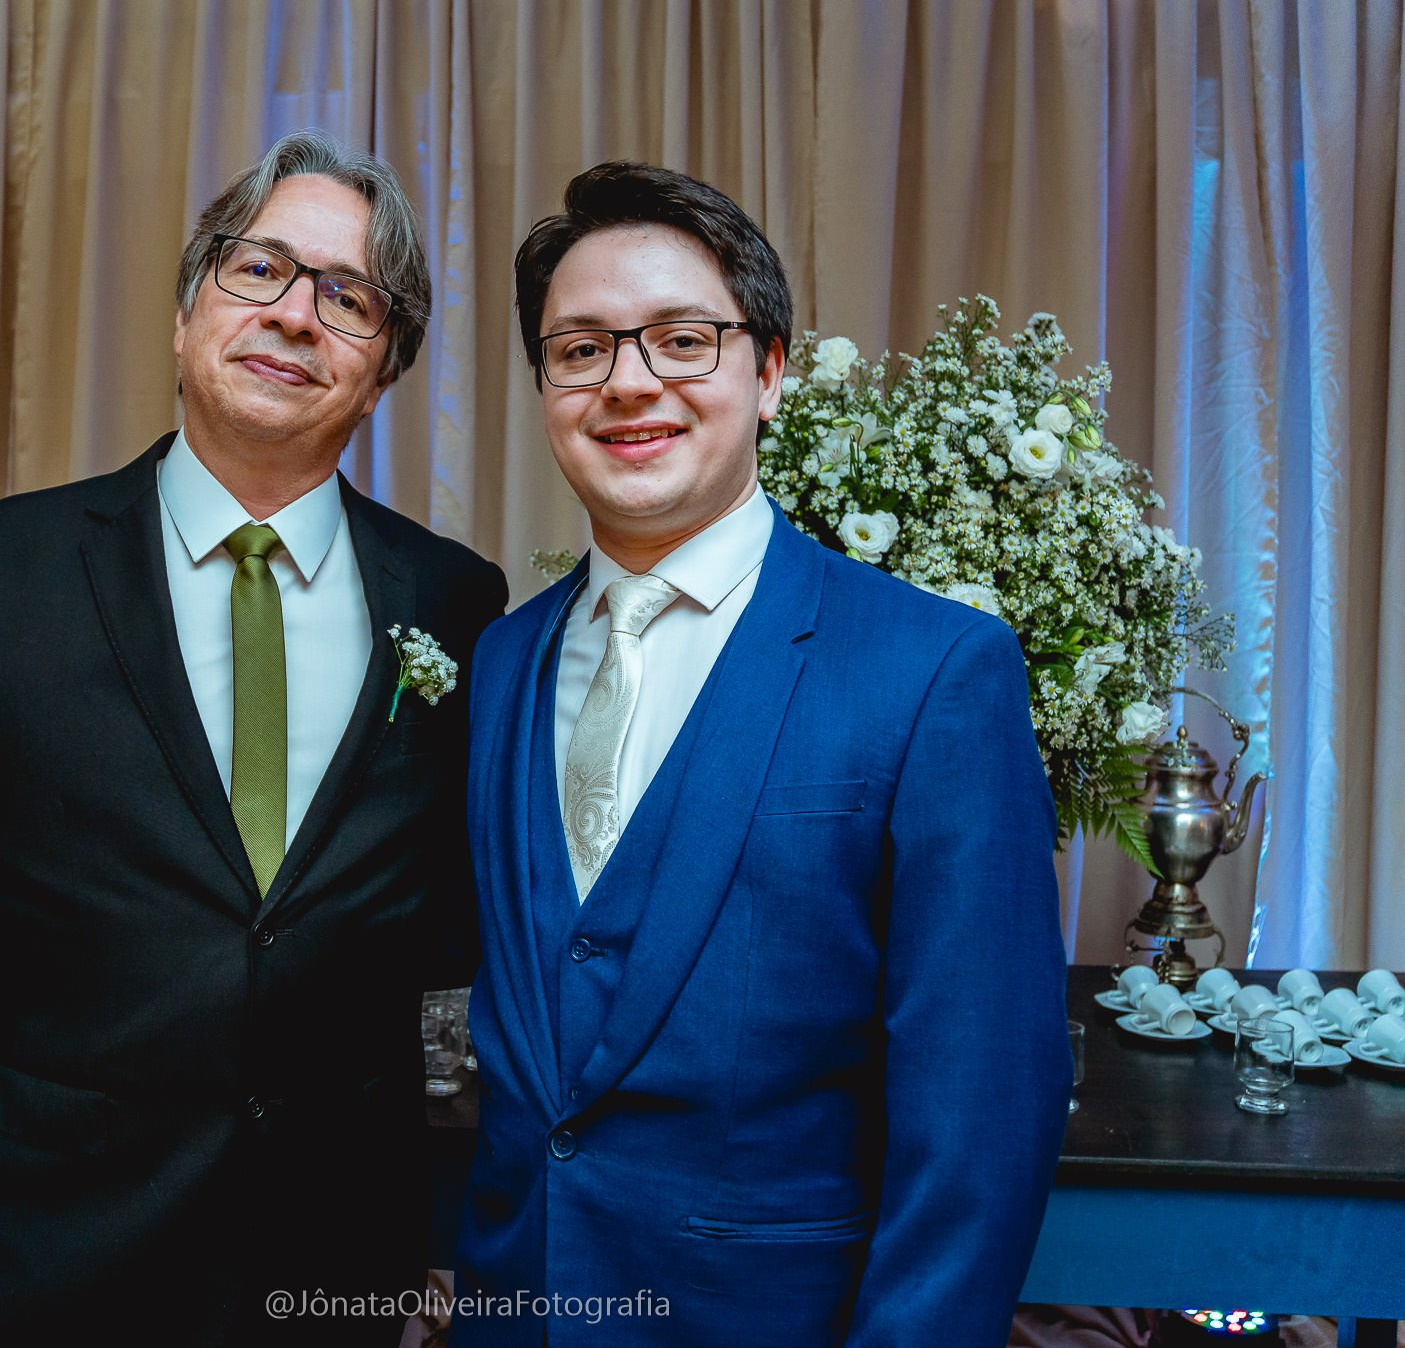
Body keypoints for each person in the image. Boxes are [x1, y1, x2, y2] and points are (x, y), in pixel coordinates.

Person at [0, 130, 508, 1348]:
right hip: (53, 1241)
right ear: (187, 315)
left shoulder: (455, 602)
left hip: (340, 1259)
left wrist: (447, 1236)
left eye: (349, 299)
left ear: (384, 368)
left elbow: (453, 964)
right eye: (260, 270)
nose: (296, 316)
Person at [454, 163, 1071, 1345]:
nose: (627, 382)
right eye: (578, 350)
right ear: (543, 387)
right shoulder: (503, 661)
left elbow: (982, 1105)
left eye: (682, 340)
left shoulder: (932, 668)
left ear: (770, 368)